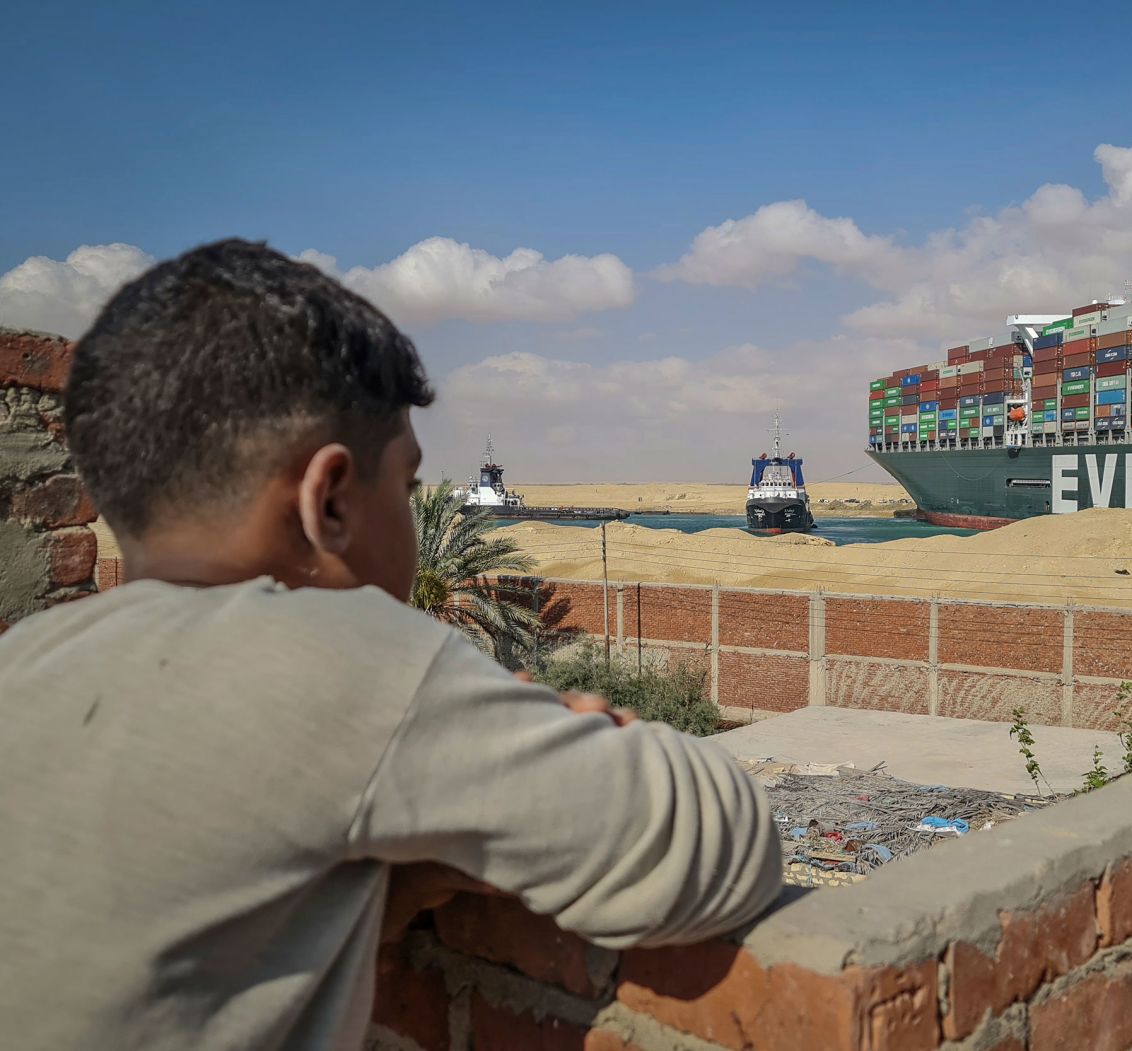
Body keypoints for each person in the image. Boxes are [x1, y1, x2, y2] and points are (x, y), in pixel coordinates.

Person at [0, 240, 783, 1050]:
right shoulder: (335, 657)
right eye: (407, 488)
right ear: (330, 501)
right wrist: (562, 731)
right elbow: (726, 847)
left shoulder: (30, 657)